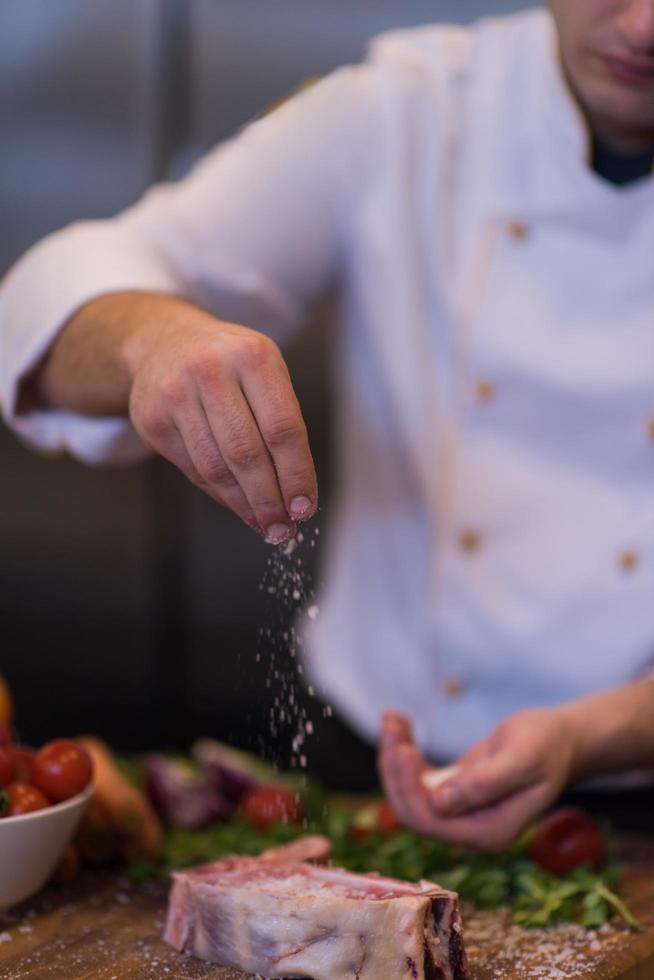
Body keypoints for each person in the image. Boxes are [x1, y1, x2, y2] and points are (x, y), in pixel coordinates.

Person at [2, 1, 654, 850]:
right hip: (371, 768)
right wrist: (149, 337)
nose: (644, 27)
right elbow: (46, 297)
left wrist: (597, 732)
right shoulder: (413, 108)